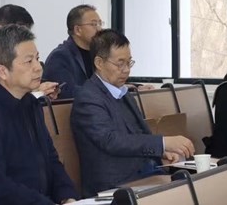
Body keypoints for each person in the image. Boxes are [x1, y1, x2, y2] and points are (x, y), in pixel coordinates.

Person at [0, 24, 78, 204]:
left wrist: (67, 197)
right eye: (29, 61)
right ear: (2, 71)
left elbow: (51, 160)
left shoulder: (31, 104)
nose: (38, 67)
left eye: (37, 58)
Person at [71, 29, 194, 196]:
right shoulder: (88, 97)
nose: (126, 70)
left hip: (144, 174)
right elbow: (111, 140)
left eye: (129, 62)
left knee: (191, 186)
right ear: (99, 63)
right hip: (114, 184)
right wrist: (162, 143)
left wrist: (161, 152)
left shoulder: (123, 92)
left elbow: (140, 134)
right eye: (120, 63)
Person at [43, 5, 104, 98]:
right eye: (94, 24)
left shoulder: (99, 54)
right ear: (78, 30)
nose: (99, 29)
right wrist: (103, 92)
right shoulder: (59, 57)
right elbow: (66, 92)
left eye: (100, 24)